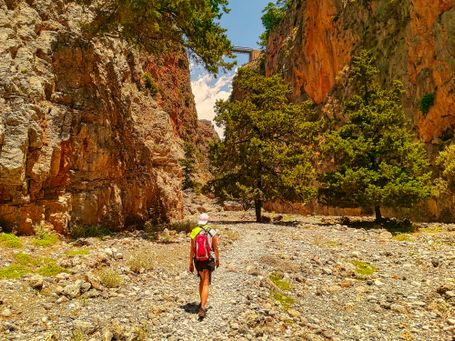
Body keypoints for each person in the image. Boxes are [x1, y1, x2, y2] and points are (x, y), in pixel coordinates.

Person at [188, 213, 219, 319]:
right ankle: (202, 307)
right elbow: (216, 248)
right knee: (206, 283)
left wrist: (190, 264)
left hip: (198, 260)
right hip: (208, 259)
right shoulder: (212, 231)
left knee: (201, 280)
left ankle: (202, 301)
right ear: (207, 221)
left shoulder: (194, 232)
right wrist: (218, 260)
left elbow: (192, 249)